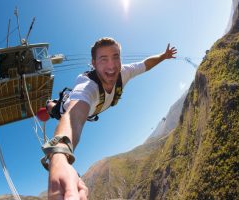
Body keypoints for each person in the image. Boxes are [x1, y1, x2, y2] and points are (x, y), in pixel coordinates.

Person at [42, 37, 177, 200]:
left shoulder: (125, 72)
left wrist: (163, 56)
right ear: (93, 63)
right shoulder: (87, 86)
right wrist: (59, 155)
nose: (112, 66)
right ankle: (49, 102)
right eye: (103, 59)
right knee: (56, 109)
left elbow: (146, 64)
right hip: (68, 107)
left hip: (91, 110)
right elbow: (74, 117)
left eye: (115, 57)